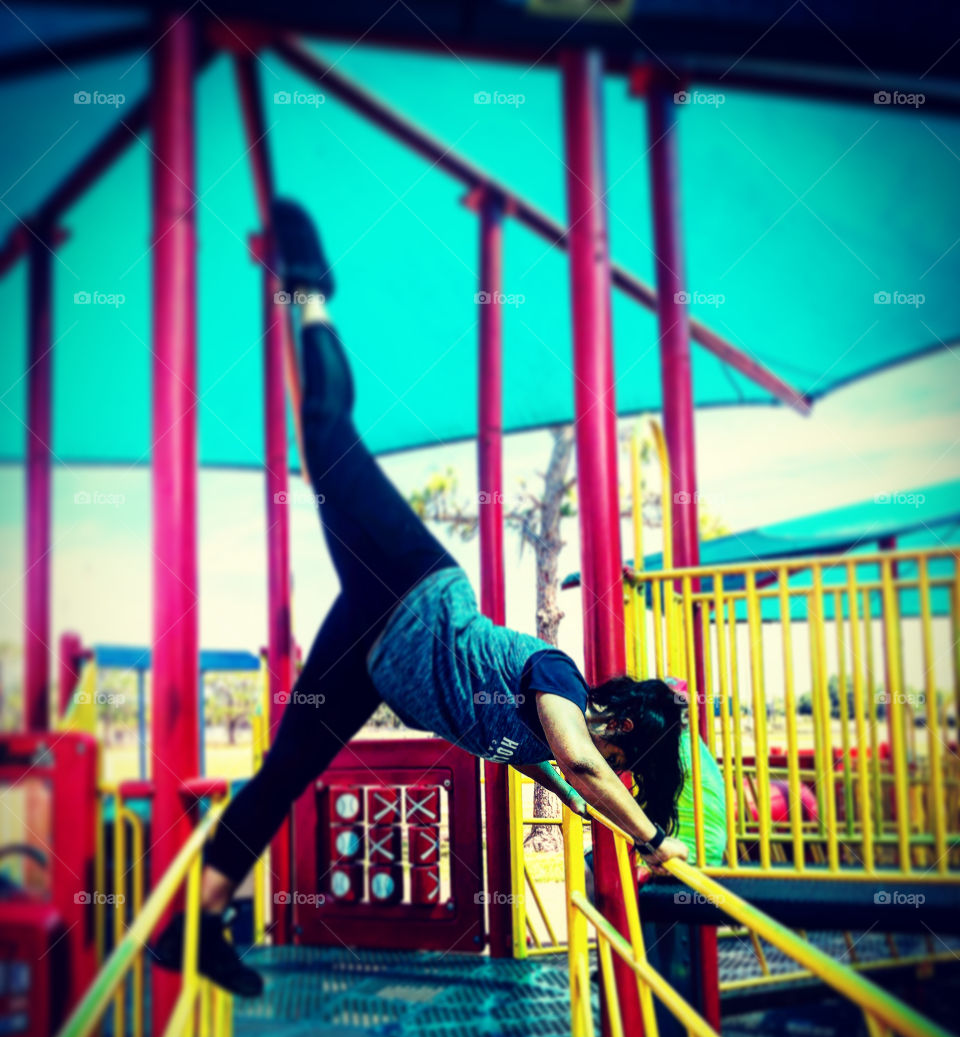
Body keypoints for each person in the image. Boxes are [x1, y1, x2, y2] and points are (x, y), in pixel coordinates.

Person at [152, 200, 690, 996]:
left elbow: (562, 769)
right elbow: (579, 758)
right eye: (625, 764)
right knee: (329, 435)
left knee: (288, 769)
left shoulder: (549, 749)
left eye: (626, 777)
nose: (615, 773)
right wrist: (651, 840)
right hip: (413, 581)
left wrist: (612, 815)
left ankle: (191, 924)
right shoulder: (562, 685)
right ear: (617, 731)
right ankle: (312, 293)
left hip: (379, 656)